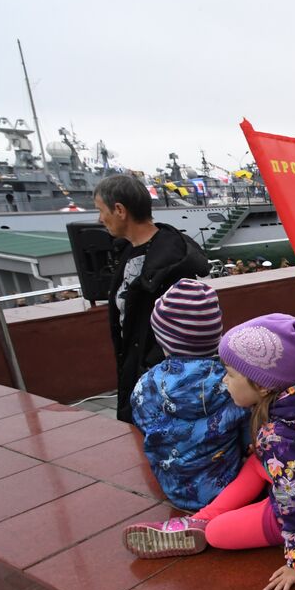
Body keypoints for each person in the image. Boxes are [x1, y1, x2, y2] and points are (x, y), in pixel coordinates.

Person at [123, 314, 295, 590]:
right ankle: (200, 519)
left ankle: (205, 525)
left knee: (218, 533)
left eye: (230, 373)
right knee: (258, 464)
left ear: (264, 385)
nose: (224, 381)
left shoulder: (280, 440)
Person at [95, 174, 209, 423]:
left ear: (119, 210)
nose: (99, 219)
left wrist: (150, 370)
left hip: (157, 382)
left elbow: (184, 328)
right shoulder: (127, 252)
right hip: (135, 372)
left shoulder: (171, 261)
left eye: (101, 210)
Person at [128, 279, 247, 511]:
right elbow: (248, 435)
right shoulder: (234, 381)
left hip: (173, 487)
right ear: (217, 334)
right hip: (230, 490)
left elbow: (142, 423)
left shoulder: (148, 384)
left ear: (163, 340)